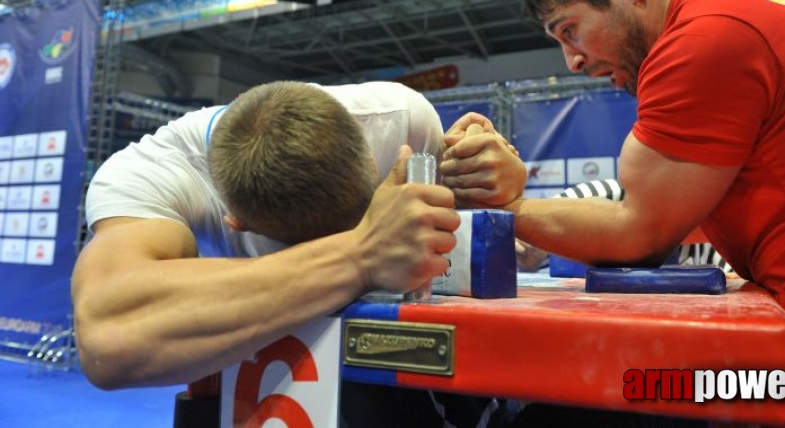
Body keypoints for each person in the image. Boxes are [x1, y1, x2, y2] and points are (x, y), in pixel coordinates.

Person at [441, 0, 785, 426]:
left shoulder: (703, 39)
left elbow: (641, 233)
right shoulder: (730, 8)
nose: (571, 60)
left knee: (560, 415)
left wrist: (508, 203)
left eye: (570, 30)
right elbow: (636, 209)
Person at [72, 80, 524, 426]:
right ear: (236, 219)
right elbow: (109, 336)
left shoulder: (400, 119)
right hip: (254, 382)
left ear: (372, 159)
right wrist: (361, 252)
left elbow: (483, 253)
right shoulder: (153, 172)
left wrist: (501, 192)